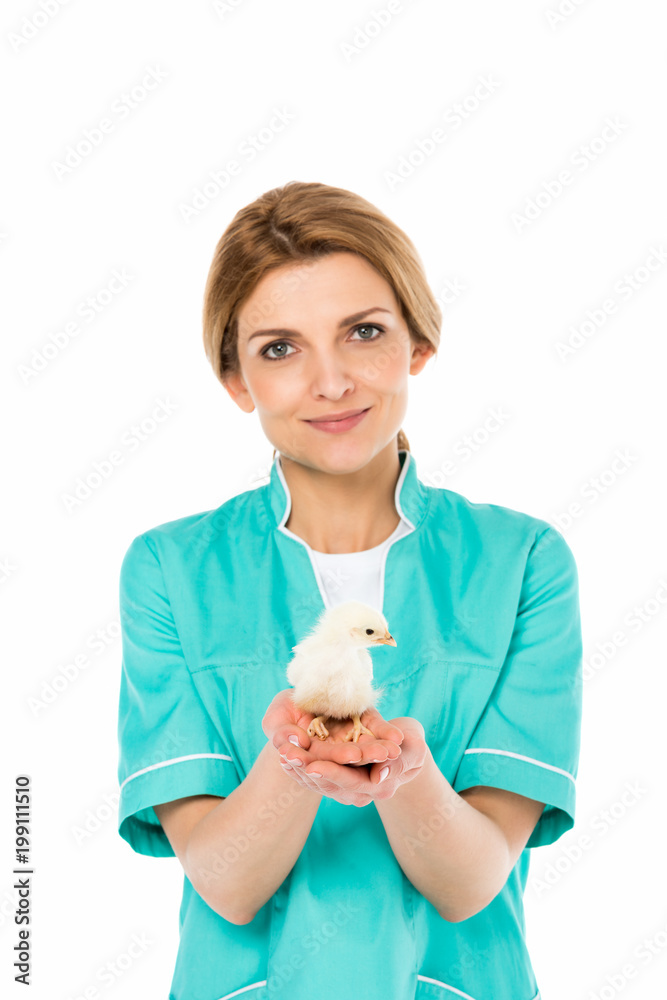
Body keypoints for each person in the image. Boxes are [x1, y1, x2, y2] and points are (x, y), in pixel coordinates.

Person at [116, 180, 583, 1000]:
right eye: (279, 348)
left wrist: (403, 774)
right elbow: (225, 883)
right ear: (235, 380)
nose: (330, 383)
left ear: (418, 343)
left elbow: (470, 883)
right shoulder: (171, 569)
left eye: (363, 332)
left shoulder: (521, 562)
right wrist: (292, 765)